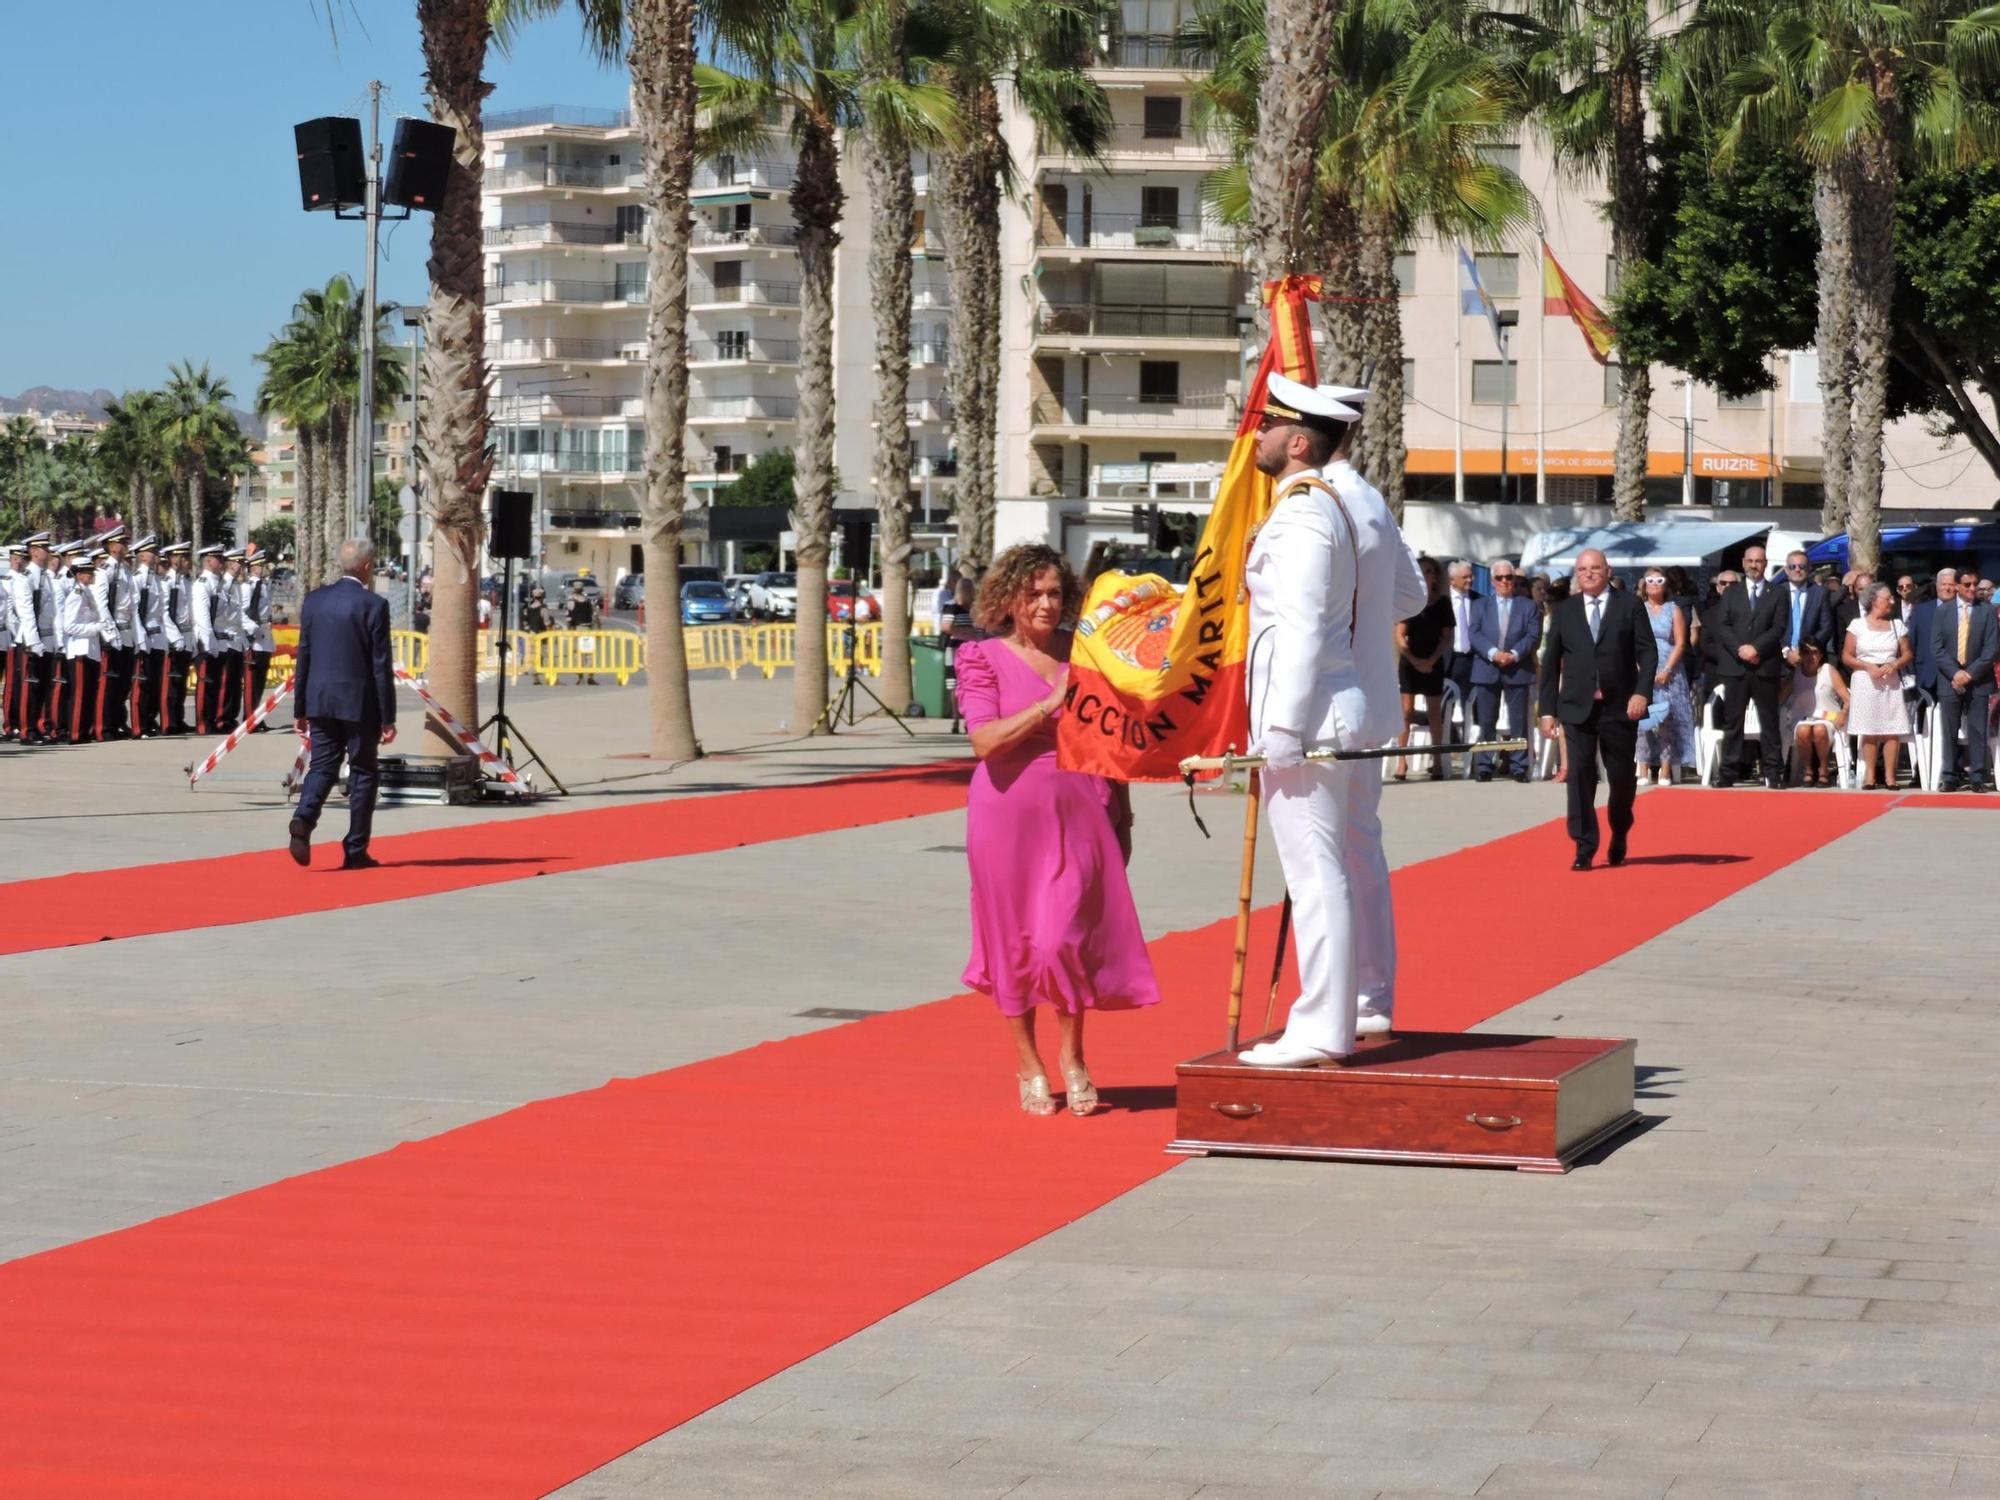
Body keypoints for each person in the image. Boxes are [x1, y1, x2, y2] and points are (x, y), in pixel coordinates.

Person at [1237, 376, 1428, 1069]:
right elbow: (1408, 592)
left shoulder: (1308, 514)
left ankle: (1322, 1024)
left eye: (1264, 425)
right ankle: (1353, 1003)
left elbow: (1301, 632)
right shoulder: (1351, 502)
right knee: (1344, 863)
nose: (1252, 436)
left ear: (1296, 440)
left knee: (1319, 871)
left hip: (1313, 717)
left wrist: (1280, 731)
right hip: (1348, 708)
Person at [955, 542, 1157, 1114]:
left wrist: (1124, 814)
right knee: (1014, 944)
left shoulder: (1088, 655)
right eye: (1034, 593)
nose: (1046, 604)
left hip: (1080, 810)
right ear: (1009, 598)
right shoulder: (982, 658)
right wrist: (1050, 703)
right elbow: (984, 742)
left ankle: (1074, 1056)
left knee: (1064, 940)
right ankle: (1028, 1064)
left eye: (1054, 593)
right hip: (1006, 816)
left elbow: (1111, 741)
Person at [1537, 548, 1656, 871]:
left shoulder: (1629, 605)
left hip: (1619, 708)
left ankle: (1619, 830)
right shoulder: (1565, 610)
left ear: (1607, 570)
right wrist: (1547, 710)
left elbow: (1647, 654)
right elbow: (1549, 664)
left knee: (1620, 778)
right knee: (1579, 775)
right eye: (1582, 569)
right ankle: (1584, 845)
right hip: (1577, 708)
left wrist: (1641, 693)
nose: (1588, 574)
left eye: (1594, 568)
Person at [288, 538, 397, 870]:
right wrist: (387, 717)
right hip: (358, 703)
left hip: (319, 700)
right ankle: (355, 849)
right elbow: (380, 664)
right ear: (366, 567)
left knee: (322, 765)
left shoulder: (314, 601)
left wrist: (300, 707)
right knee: (364, 771)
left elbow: (303, 654)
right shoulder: (373, 605)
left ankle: (304, 818)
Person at [1710, 545, 1788, 787]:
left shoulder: (1778, 593)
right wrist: (1741, 650)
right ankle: (1728, 773)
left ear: (1765, 564)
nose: (1754, 565)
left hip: (1765, 665)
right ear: (1744, 563)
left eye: (1759, 561)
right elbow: (1723, 626)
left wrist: (1756, 649)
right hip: (1735, 666)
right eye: (1750, 561)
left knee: (1769, 722)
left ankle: (1773, 772)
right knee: (1733, 721)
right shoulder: (1731, 593)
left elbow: (1778, 628)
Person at [1467, 559, 1537, 782]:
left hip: (1517, 669)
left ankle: (1519, 766)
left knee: (1519, 722)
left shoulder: (1528, 605)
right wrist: (1493, 653)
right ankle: (1485, 764)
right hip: (1487, 668)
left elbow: (1533, 636)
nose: (1505, 581)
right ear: (1492, 581)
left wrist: (1514, 654)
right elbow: (1474, 634)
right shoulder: (1479, 605)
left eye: (1509, 577)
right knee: (1486, 721)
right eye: (1500, 578)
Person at [1930, 569, 1997, 792]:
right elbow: (1936, 647)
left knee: (1978, 729)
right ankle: (1949, 776)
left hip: (1978, 680)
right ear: (1957, 586)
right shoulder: (1943, 611)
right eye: (1966, 584)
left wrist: (1969, 674)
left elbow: (1991, 648)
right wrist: (1955, 673)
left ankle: (1978, 776)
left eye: (1974, 584)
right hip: (1949, 680)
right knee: (1949, 728)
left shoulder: (1987, 611)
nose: (1971, 588)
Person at [1844, 581, 1914, 790]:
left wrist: (1894, 664)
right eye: (1888, 598)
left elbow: (1908, 653)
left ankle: (1891, 777)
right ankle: (1870, 776)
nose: (1892, 601)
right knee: (1869, 728)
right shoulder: (1857, 625)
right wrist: (1867, 666)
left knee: (1892, 729)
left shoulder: (1897, 624)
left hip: (1890, 681)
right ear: (1874, 601)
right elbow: (1847, 656)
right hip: (1865, 680)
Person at [1633, 572, 1694, 786]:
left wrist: (1667, 669)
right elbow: (1630, 640)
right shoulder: (1638, 609)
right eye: (1650, 580)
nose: (1654, 584)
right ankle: (1643, 768)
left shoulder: (1673, 609)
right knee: (1642, 718)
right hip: (1643, 668)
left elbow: (1680, 642)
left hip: (1670, 670)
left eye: (1659, 580)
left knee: (1667, 719)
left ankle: (1665, 769)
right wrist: (1641, 669)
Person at [1393, 554, 1450, 780]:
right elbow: (1399, 634)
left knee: (1434, 712)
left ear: (1435, 576)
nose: (1427, 575)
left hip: (1433, 661)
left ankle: (1436, 761)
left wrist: (1431, 660)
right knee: (1406, 712)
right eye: (1423, 571)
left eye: (1430, 571)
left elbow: (1447, 637)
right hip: (1410, 661)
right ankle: (1402, 760)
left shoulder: (1443, 603)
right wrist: (1414, 659)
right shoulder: (1408, 599)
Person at [8, 533, 57, 745]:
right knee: (31, 687)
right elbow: (26, 612)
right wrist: (34, 642)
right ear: (33, 552)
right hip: (30, 642)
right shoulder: (25, 578)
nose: (47, 552)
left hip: (45, 640)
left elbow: (52, 612)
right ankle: (27, 731)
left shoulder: (46, 577)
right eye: (43, 548)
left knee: (43, 686)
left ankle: (36, 728)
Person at [1780, 640, 1848, 787]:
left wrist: (1844, 712)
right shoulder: (1796, 674)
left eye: (1815, 652)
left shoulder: (1829, 670)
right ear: (1801, 655)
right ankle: (1809, 770)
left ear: (1821, 655)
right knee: (1804, 730)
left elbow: (1848, 699)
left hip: (1828, 717)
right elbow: (1780, 697)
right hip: (1801, 718)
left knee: (1819, 730)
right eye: (1806, 652)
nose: (1810, 656)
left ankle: (1823, 769)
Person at [93, 526, 138, 740]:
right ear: (112, 547)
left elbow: (133, 606)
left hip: (127, 632)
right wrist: (110, 634)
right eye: (122, 543)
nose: (125, 547)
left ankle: (118, 722)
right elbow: (101, 605)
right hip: (113, 634)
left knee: (123, 684)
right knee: (109, 684)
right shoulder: (105, 571)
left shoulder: (126, 572)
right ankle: (104, 726)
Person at [57, 552, 106, 744]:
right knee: (79, 694)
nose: (92, 575)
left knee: (88, 693)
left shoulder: (86, 592)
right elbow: (69, 626)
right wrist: (95, 628)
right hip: (79, 650)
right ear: (79, 575)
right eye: (88, 572)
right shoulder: (76, 596)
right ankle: (76, 732)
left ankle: (85, 730)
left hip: (90, 650)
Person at [129, 537, 167, 738]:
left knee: (155, 683)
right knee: (142, 683)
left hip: (157, 634)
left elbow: (161, 611)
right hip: (145, 634)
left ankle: (150, 720)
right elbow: (135, 609)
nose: (155, 555)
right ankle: (139, 725)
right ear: (142, 555)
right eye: (151, 551)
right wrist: (140, 636)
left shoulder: (156, 579)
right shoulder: (137, 578)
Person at [1777, 549, 1835, 675]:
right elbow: (1771, 627)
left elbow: (1826, 628)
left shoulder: (1820, 593)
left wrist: (1804, 650)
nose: (1797, 570)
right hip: (1780, 663)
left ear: (1809, 569)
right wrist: (1786, 652)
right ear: (1786, 570)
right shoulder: (1777, 592)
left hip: (1811, 662)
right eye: (1792, 567)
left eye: (1802, 566)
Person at [191, 544, 229, 735]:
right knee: (206, 683)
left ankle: (212, 719)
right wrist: (209, 642)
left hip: (218, 639)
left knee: (215, 683)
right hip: (206, 640)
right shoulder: (203, 584)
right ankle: (203, 722)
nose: (222, 563)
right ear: (208, 561)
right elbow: (202, 616)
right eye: (218, 559)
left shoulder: (217, 583)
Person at [1905, 569, 1954, 706]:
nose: (1947, 588)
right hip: (1926, 676)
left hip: (1955, 677)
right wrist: (1912, 674)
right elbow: (1911, 643)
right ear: (1937, 586)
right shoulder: (1921, 610)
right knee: (1924, 723)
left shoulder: (1965, 610)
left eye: (1951, 584)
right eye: (1943, 584)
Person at [161, 543, 194, 735]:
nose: (188, 562)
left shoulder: (185, 582)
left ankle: (178, 718)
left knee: (181, 682)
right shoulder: (168, 582)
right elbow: (164, 613)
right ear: (175, 560)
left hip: (186, 635)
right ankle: (169, 722)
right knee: (171, 683)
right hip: (173, 637)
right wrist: (175, 637)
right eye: (185, 558)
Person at [240, 550, 276, 728]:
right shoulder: (248, 587)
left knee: (260, 681)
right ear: (253, 567)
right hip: (254, 637)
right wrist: (252, 629)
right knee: (252, 682)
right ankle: (249, 717)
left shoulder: (264, 586)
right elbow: (242, 612)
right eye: (260, 565)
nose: (264, 568)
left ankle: (257, 716)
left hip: (265, 636)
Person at [566, 581, 599, 685]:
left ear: (574, 590)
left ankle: (580, 678)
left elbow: (568, 618)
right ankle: (590, 676)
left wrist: (568, 631)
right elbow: (594, 616)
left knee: (578, 653)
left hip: (577, 629)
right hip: (588, 629)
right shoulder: (588, 601)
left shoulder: (571, 602)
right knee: (589, 653)